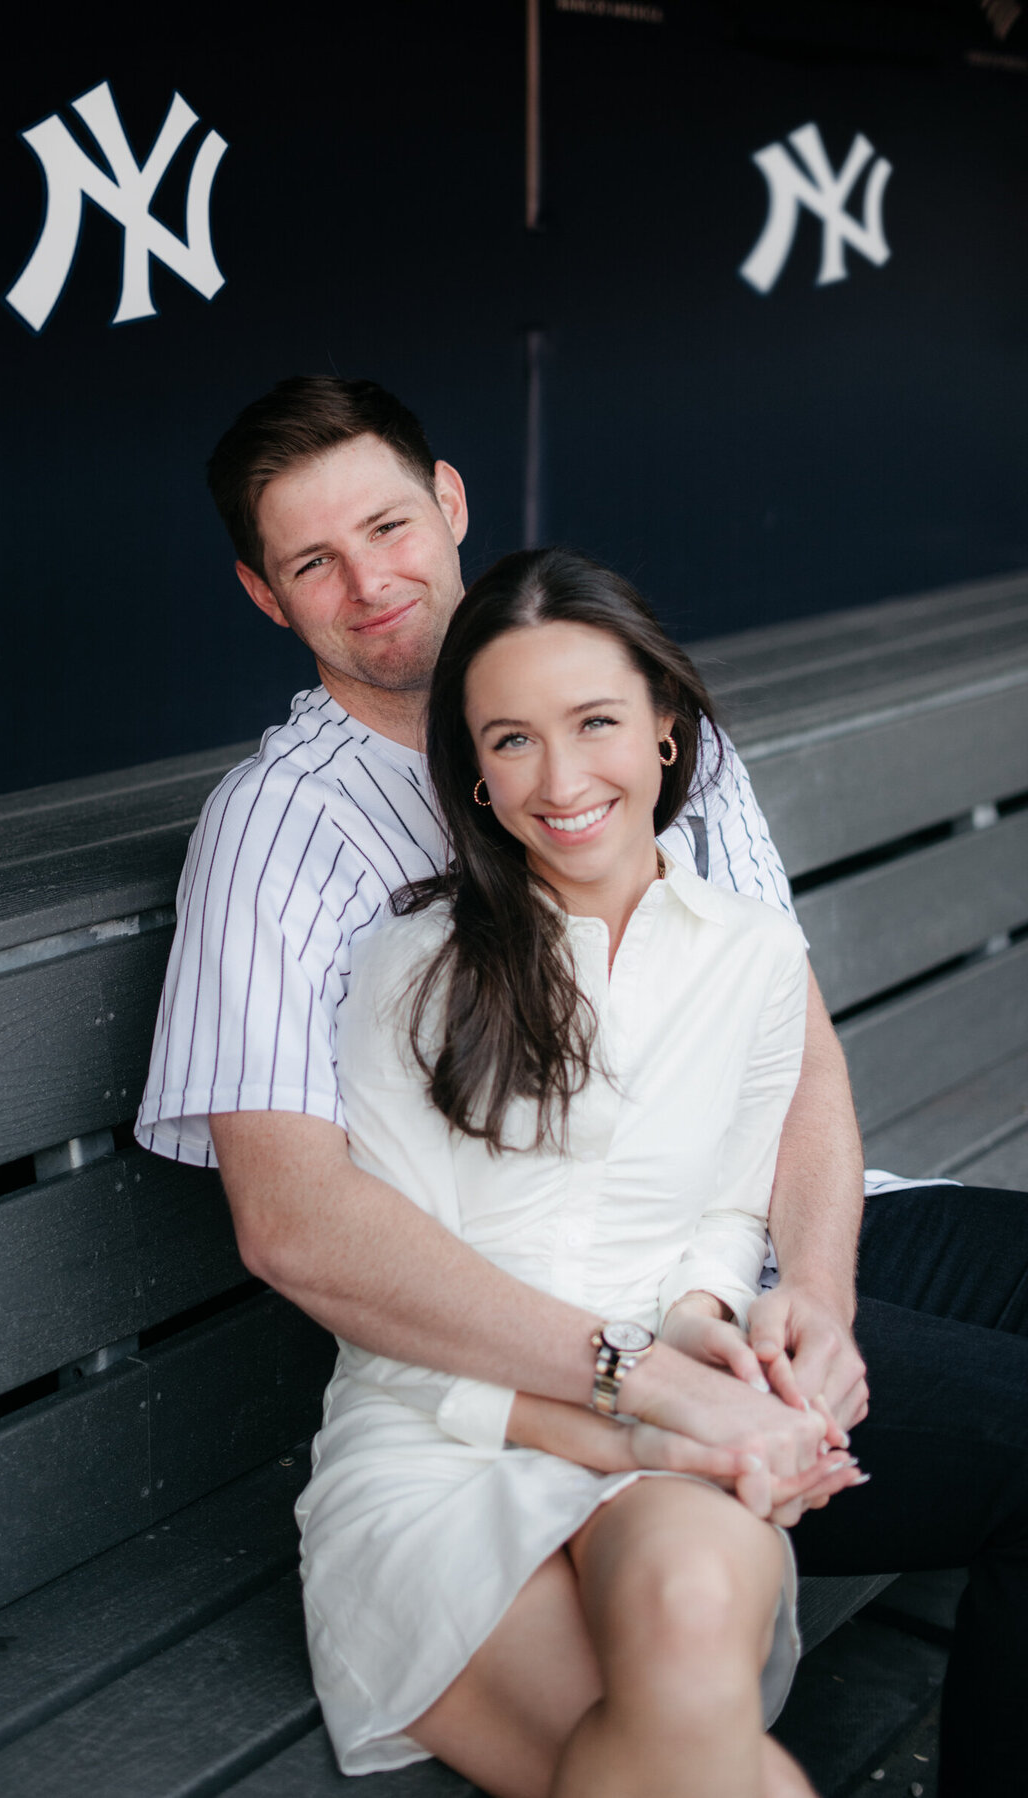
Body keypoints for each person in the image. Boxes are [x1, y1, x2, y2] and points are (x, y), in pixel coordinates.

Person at [136, 375, 1028, 1793]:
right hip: (563, 1331)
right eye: (316, 560)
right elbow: (301, 1220)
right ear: (265, 595)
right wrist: (656, 1378)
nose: (372, 582)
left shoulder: (653, 737)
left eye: (388, 524)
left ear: (452, 503)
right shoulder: (294, 845)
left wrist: (824, 1297)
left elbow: (793, 1050)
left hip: (770, 1249)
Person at [298, 545, 861, 1796]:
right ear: (474, 775)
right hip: (438, 1453)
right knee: (706, 1771)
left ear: (666, 728)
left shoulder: (756, 955)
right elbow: (391, 1318)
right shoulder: (418, 971)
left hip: (670, 1424)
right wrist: (645, 1426)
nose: (560, 781)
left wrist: (723, 1319)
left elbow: (723, 1207)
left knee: (689, 1649)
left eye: (595, 721)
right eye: (509, 740)